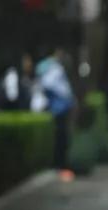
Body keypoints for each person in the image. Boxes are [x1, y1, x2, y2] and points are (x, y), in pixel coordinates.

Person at [35, 48, 75, 181]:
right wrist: (64, 95)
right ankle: (60, 165)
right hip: (59, 109)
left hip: (59, 108)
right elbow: (51, 84)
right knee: (60, 138)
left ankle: (60, 165)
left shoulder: (47, 67)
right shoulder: (53, 67)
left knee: (61, 138)